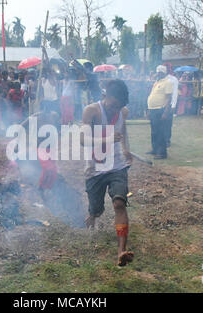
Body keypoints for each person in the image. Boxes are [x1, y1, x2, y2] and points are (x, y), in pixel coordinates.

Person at [81, 79, 133, 267]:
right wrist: (109, 138)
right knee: (96, 209)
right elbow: (82, 140)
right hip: (95, 169)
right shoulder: (92, 111)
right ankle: (92, 216)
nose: (115, 111)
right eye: (112, 106)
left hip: (117, 165)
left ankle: (121, 251)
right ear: (104, 96)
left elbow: (123, 131)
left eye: (118, 108)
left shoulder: (122, 112)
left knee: (119, 203)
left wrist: (126, 149)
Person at [146, 65, 173, 160]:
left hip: (160, 109)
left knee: (160, 132)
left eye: (160, 72)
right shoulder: (157, 82)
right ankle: (155, 149)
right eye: (157, 72)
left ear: (164, 73)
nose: (158, 73)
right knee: (154, 131)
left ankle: (162, 153)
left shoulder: (167, 82)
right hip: (153, 109)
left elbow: (169, 98)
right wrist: (149, 110)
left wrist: (166, 112)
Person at [164, 63, 178, 147]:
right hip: (160, 105)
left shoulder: (173, 79)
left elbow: (175, 93)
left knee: (168, 123)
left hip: (169, 105)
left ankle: (167, 140)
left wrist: (173, 105)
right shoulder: (160, 78)